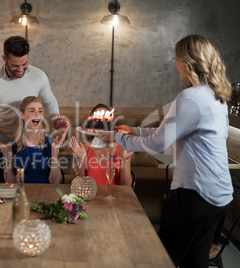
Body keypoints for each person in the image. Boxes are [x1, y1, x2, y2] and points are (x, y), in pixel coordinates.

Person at [100, 35, 233, 268]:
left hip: (197, 194)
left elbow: (157, 144)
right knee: (195, 261)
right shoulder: (215, 96)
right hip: (219, 196)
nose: (175, 65)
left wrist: (117, 137)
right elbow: (167, 134)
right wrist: (133, 130)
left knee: (159, 257)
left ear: (189, 62)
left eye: (177, 59)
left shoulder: (190, 98)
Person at [0, 36, 68, 182]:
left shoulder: (39, 76)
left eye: (25, 64)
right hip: (3, 147)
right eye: (15, 66)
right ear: (4, 59)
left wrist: (55, 119)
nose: (21, 69)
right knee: (1, 196)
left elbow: (49, 101)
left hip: (32, 146)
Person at [0, 96, 68, 184]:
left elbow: (55, 182)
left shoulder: (51, 143)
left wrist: (54, 151)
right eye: (32, 111)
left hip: (46, 195)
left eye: (40, 111)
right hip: (22, 195)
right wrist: (6, 155)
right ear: (22, 115)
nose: (37, 114)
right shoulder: (12, 145)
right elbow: (10, 182)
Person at [69, 104, 132, 186]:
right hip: (91, 197)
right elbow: (78, 186)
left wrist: (125, 161)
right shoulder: (83, 149)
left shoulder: (122, 150)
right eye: (97, 118)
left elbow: (126, 186)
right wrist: (81, 159)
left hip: (115, 196)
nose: (102, 122)